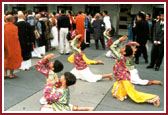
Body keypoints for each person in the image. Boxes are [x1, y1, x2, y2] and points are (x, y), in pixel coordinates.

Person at [110, 36, 160, 107]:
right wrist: (130, 43)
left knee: (134, 94)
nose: (121, 48)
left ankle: (154, 98)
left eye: (123, 48)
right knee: (119, 85)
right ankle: (120, 94)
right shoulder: (125, 55)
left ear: (124, 52)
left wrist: (119, 40)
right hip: (122, 76)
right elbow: (126, 47)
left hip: (124, 77)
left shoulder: (120, 57)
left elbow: (112, 47)